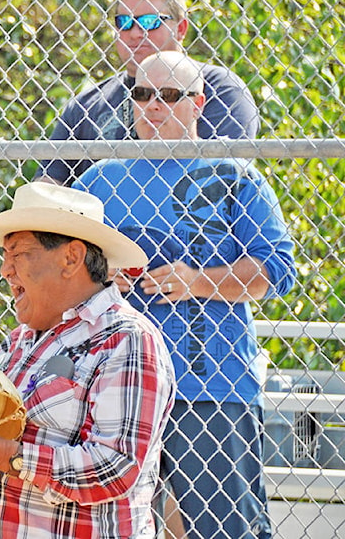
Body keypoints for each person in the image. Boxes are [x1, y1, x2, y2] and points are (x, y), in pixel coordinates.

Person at [73, 51, 296, 539]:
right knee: (106, 523)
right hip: (113, 384)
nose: (153, 106)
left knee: (224, 528)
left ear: (198, 103)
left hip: (210, 385)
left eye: (169, 96)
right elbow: (64, 272)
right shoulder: (97, 180)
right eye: (142, 95)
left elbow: (278, 269)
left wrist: (199, 280)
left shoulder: (234, 175)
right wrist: (104, 272)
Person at [0, 182, 175, 538]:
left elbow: (116, 467)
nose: (5, 270)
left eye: (17, 253)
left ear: (71, 258)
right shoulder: (19, 341)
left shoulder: (128, 340)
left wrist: (6, 457)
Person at [38, 0, 259, 186]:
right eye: (124, 22)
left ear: (181, 28)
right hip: (97, 221)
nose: (135, 33)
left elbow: (225, 175)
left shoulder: (221, 89)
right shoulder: (87, 104)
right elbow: (50, 181)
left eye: (150, 22)